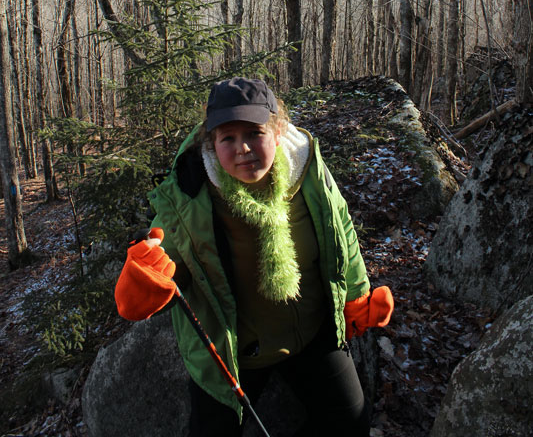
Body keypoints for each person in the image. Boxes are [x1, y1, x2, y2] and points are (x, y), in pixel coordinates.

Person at [115, 77, 394, 437]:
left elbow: (340, 228)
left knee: (350, 423)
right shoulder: (190, 196)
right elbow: (167, 260)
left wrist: (356, 295)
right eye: (227, 138)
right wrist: (147, 281)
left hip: (311, 336)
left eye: (254, 133)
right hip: (234, 356)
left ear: (277, 132)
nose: (242, 148)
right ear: (211, 146)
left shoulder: (307, 171)